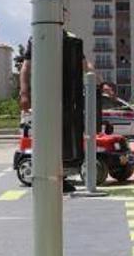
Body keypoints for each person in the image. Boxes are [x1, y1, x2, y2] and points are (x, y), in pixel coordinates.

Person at [18, 32, 98, 193]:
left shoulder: (71, 39)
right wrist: (24, 93)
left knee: (64, 139)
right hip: (45, 96)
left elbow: (85, 64)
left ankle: (60, 178)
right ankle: (44, 177)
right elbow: (26, 67)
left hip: (67, 97)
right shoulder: (37, 37)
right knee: (47, 138)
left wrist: (98, 81)